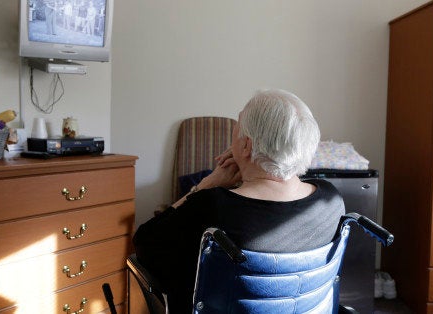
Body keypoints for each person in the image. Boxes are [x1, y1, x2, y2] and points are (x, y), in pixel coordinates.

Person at [133, 89, 345, 313]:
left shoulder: (210, 207)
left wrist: (206, 184)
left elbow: (144, 245)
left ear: (246, 145)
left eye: (237, 127)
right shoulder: (331, 201)